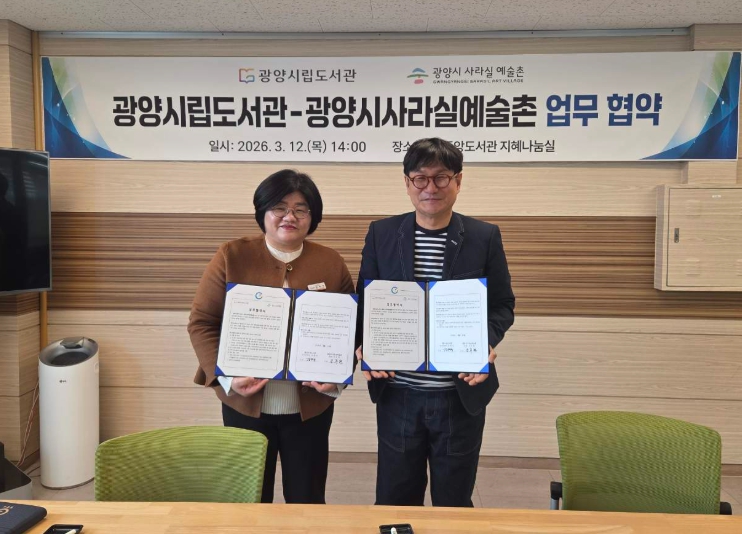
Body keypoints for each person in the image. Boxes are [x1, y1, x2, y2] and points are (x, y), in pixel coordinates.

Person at [355, 138, 515, 507]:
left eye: (441, 178)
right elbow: (366, 301)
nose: (431, 188)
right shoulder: (382, 234)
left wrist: (485, 343)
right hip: (398, 393)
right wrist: (363, 344)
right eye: (420, 178)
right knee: (395, 500)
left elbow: (502, 305)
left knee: (454, 502)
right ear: (407, 182)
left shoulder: (483, 236)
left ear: (458, 181)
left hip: (458, 394)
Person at [188, 169, 355, 504]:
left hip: (310, 406)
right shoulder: (232, 255)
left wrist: (336, 378)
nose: (289, 217)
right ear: (262, 211)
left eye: (301, 209)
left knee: (307, 499)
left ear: (313, 216)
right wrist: (228, 376)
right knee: (248, 500)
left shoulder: (331, 262)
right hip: (245, 403)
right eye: (279, 207)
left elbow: (350, 328)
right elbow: (202, 322)